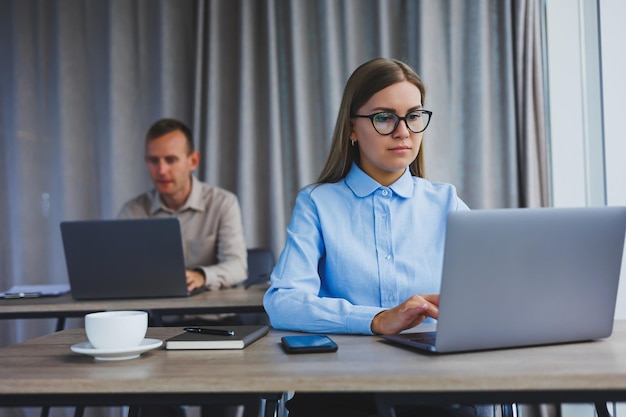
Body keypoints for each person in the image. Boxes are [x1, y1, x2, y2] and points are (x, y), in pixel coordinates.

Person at [263, 58, 475, 417]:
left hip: (435, 381)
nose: (403, 131)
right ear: (352, 129)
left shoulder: (446, 201)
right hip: (342, 383)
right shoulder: (318, 203)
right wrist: (375, 319)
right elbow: (283, 301)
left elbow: (491, 295)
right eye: (384, 117)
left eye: (413, 115)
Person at [118, 118, 248, 314]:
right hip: (154, 323)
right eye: (154, 160)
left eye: (170, 160)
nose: (161, 170)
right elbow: (120, 275)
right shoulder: (133, 210)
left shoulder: (223, 203)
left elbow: (238, 267)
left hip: (214, 320)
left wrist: (202, 276)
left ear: (193, 161)